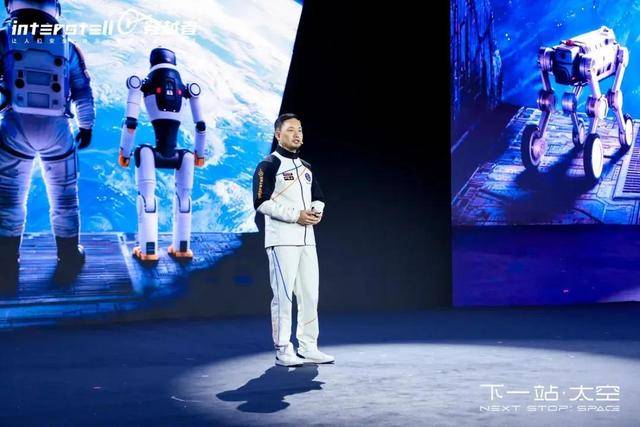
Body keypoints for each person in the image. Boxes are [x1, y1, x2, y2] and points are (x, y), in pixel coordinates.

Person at [0, 0, 95, 281]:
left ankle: (6, 260)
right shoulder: (68, 47)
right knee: (65, 198)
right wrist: (86, 126)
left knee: (9, 199)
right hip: (57, 130)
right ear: (54, 9)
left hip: (15, 126)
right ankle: (69, 255)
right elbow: (82, 91)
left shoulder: (4, 39)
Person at [253, 113, 335, 367]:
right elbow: (261, 202)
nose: (297, 134)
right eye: (290, 130)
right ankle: (283, 349)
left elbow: (318, 197)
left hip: (307, 240)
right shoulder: (268, 164)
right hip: (282, 241)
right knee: (284, 296)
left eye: (299, 129)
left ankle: (308, 347)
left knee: (310, 294)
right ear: (278, 134)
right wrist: (295, 215)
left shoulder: (306, 167)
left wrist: (316, 212)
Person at [117, 47, 206, 261]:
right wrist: (199, 154)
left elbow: (131, 123)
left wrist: (125, 153)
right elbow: (201, 125)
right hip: (182, 156)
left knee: (147, 198)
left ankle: (148, 251)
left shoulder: (143, 83)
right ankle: (182, 248)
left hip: (150, 154)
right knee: (184, 199)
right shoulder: (187, 88)